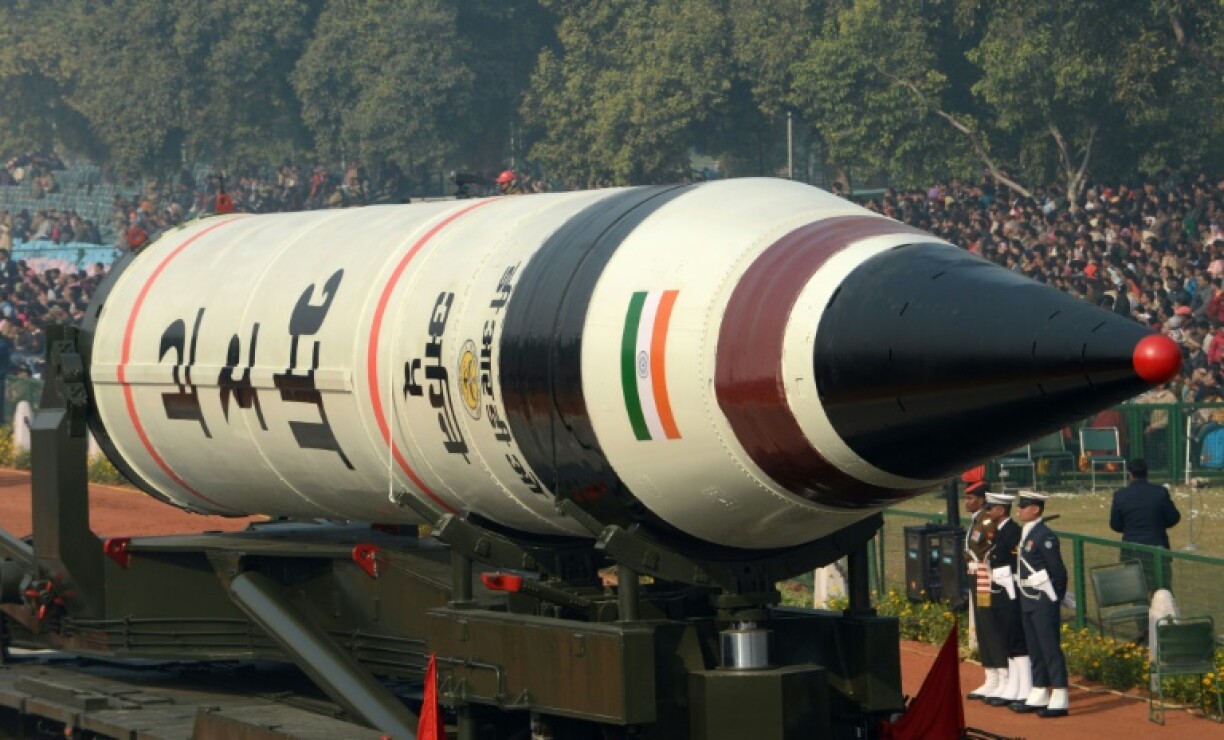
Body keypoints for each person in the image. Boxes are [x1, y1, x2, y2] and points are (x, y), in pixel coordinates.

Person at [1009, 491, 1070, 718]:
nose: (1020, 510)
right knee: (1034, 647)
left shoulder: (1045, 536)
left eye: (1024, 506)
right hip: (1028, 597)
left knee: (1049, 647)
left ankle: (1060, 693)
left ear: (1035, 509)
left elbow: (1058, 572)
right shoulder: (1029, 533)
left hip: (1043, 600)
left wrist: (1055, 597)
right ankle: (1039, 689)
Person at [982, 492, 1031, 708]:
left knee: (1015, 637)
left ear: (1001, 510)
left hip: (1010, 590)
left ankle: (1025, 687)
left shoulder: (1012, 533)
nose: (987, 511)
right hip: (999, 589)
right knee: (1007, 638)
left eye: (990, 508)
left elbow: (1013, 563)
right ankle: (1015, 684)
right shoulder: (998, 531)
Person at [1109, 458, 1181, 594]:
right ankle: (1163, 615)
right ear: (1147, 473)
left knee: (1137, 591)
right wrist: (1158, 523)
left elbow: (1115, 524)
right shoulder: (1160, 492)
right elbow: (1173, 517)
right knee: (1163, 591)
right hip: (1157, 548)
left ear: (1129, 474)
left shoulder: (1120, 496)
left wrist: (1130, 527)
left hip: (1131, 549)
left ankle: (1140, 614)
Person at [963, 480, 1007, 701]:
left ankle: (1001, 675)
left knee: (989, 625)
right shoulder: (978, 520)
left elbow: (982, 549)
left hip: (984, 575)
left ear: (981, 500)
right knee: (982, 625)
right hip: (976, 574)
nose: (966, 502)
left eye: (970, 498)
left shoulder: (986, 521)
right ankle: (991, 675)